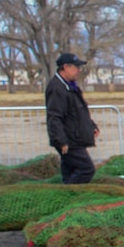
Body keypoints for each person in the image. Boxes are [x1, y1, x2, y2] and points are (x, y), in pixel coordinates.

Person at [44, 52, 98, 184]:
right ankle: (70, 194)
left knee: (70, 171)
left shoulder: (70, 86)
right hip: (69, 140)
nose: (78, 70)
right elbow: (54, 116)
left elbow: (77, 112)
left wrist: (91, 125)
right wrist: (61, 140)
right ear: (66, 67)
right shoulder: (57, 88)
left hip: (75, 137)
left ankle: (67, 193)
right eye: (76, 67)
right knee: (86, 169)